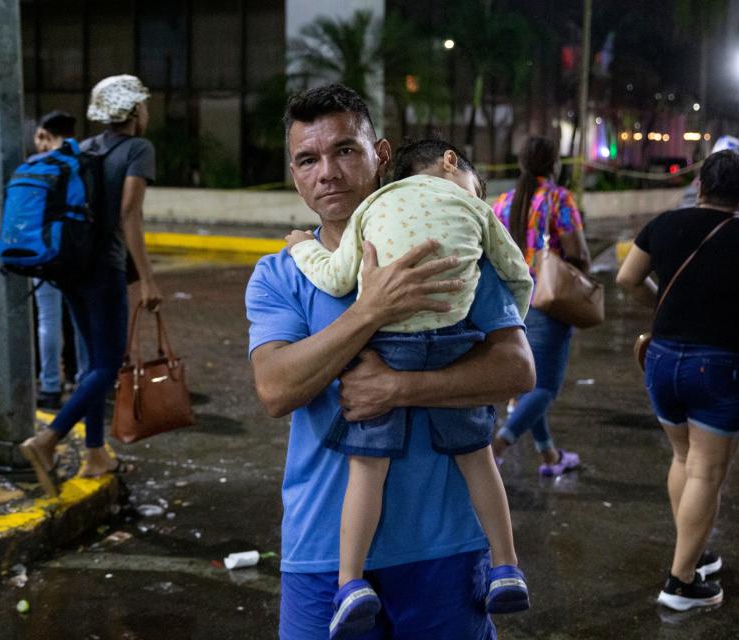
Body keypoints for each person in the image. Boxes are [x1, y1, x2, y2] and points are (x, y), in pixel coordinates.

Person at [246, 84, 535, 640]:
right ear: (295, 174)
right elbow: (276, 390)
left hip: (443, 545)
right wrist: (372, 309)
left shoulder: (445, 249)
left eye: (344, 150)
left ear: (380, 153)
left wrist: (401, 387)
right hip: (322, 552)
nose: (327, 172)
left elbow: (516, 370)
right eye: (309, 159)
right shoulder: (280, 272)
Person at [616, 150, 739, 611]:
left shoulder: (662, 226)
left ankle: (692, 554)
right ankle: (680, 584)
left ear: (699, 186)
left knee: (684, 457)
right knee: (705, 470)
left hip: (661, 361)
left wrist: (660, 305)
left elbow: (626, 278)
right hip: (722, 365)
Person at [19, 75, 162, 493]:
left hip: (72, 269)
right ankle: (48, 440)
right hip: (104, 271)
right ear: (134, 111)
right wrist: (148, 279)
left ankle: (95, 453)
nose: (147, 112)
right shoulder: (139, 148)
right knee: (107, 365)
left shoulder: (82, 148)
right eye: (144, 105)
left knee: (91, 365)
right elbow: (128, 215)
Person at [490, 136, 590, 476]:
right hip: (548, 304)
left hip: (509, 307)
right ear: (554, 165)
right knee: (545, 386)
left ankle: (550, 457)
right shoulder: (558, 199)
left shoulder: (502, 203)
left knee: (530, 384)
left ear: (520, 164)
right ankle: (497, 448)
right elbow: (578, 253)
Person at [30, 111, 90, 410]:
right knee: (80, 321)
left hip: (41, 253)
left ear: (43, 134)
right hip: (75, 253)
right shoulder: (83, 161)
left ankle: (50, 386)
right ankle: (83, 381)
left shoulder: (36, 165)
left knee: (47, 320)